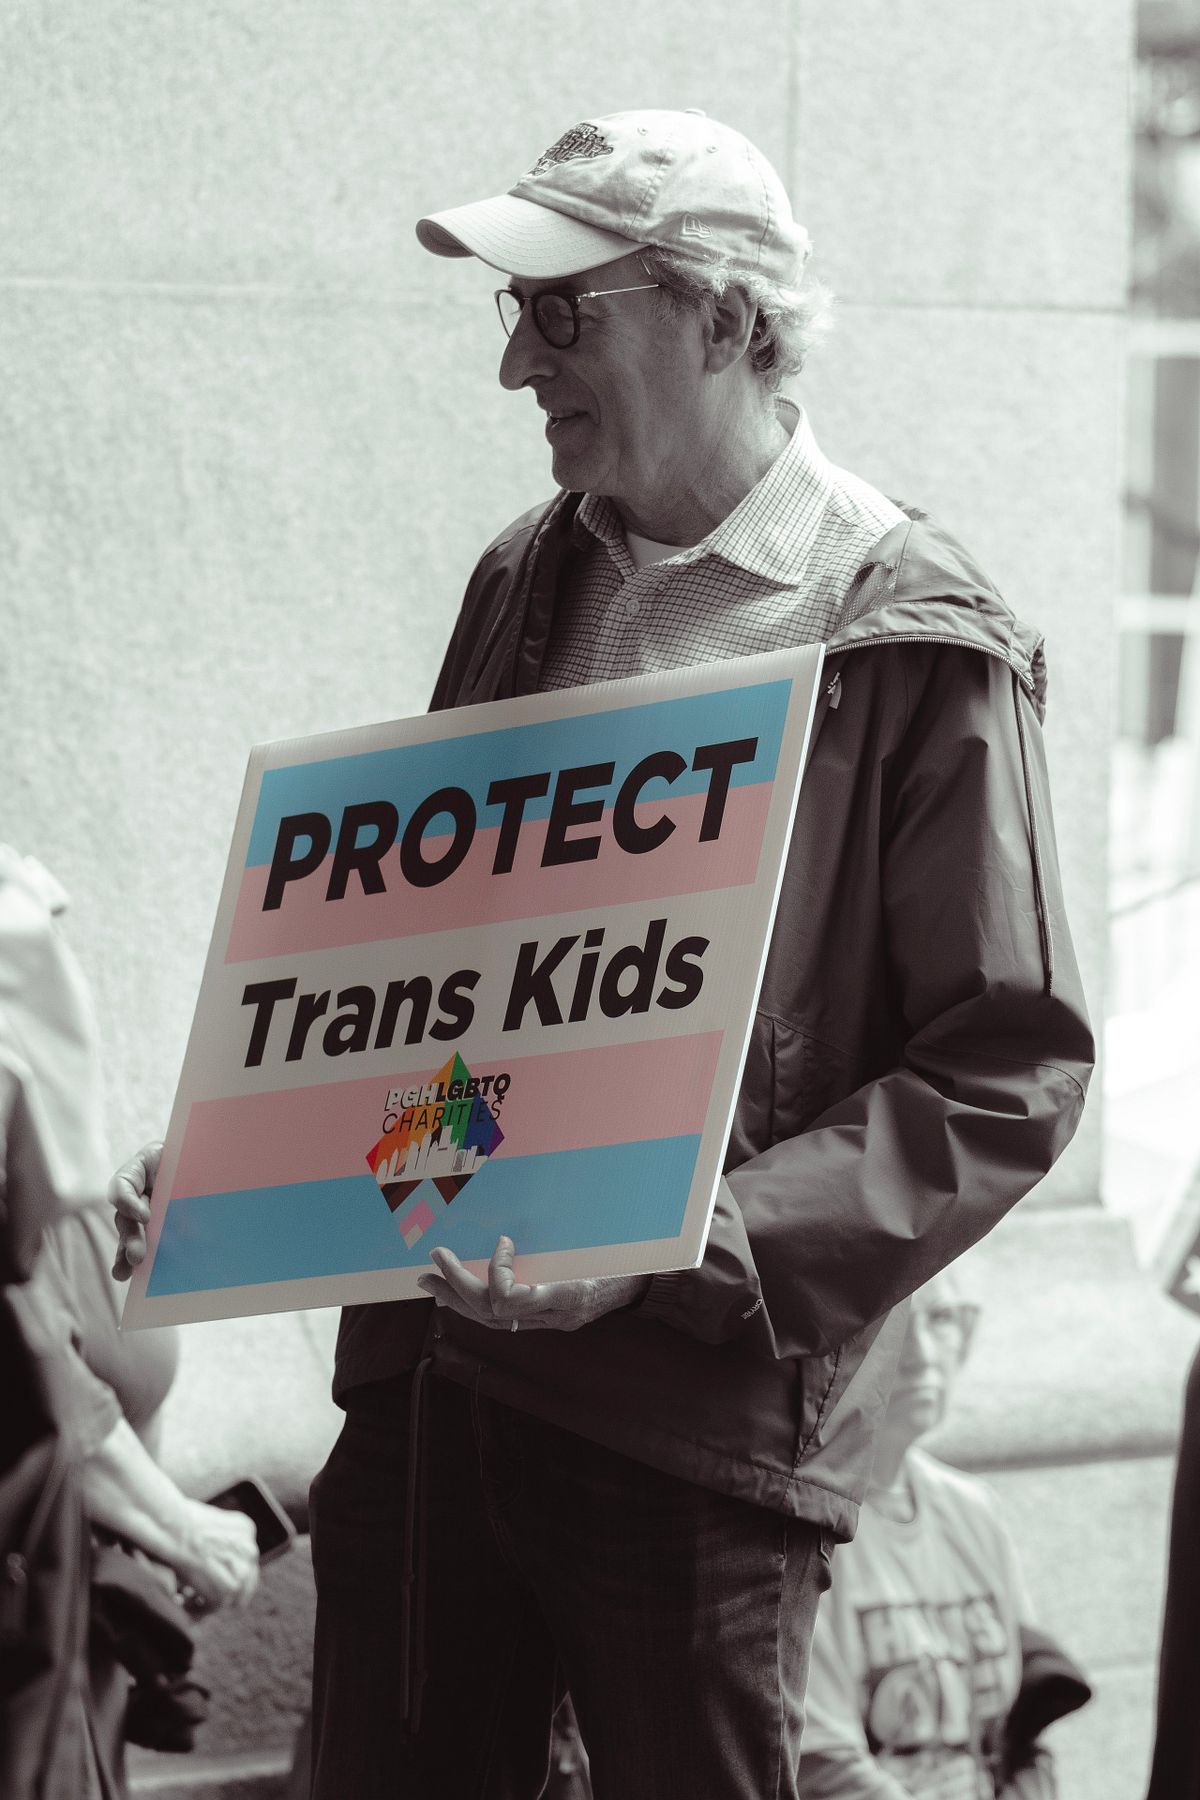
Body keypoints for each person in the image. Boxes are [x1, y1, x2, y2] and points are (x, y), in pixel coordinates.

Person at [110, 108, 1095, 1800]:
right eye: (515, 310)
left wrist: (684, 1246)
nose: (517, 364)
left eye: (562, 310)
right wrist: (257, 1145)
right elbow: (450, 983)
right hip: (438, 1386)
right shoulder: (527, 572)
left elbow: (1005, 1071)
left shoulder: (912, 630)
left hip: (693, 1427)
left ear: (728, 318)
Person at [798, 1271, 1087, 1799]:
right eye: (893, 1322)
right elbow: (821, 1767)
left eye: (942, 1318)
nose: (923, 1353)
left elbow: (1023, 1728)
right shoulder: (807, 1522)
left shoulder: (974, 1510)